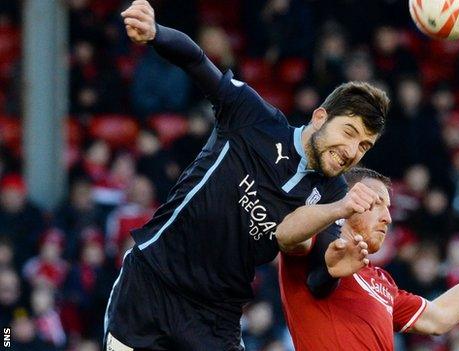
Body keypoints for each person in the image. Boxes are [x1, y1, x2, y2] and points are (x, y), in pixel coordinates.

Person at [104, 1, 388, 350]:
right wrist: (155, 32)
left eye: (363, 145)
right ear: (319, 117)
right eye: (348, 132)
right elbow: (196, 61)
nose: (351, 150)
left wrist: (331, 270)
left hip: (216, 316)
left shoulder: (334, 193)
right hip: (152, 284)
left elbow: (317, 279)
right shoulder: (254, 118)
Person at [278, 167, 459, 350]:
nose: (388, 217)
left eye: (389, 207)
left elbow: (439, 317)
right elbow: (286, 234)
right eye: (377, 204)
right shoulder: (311, 245)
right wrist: (335, 211)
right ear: (348, 201)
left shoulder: (381, 281)